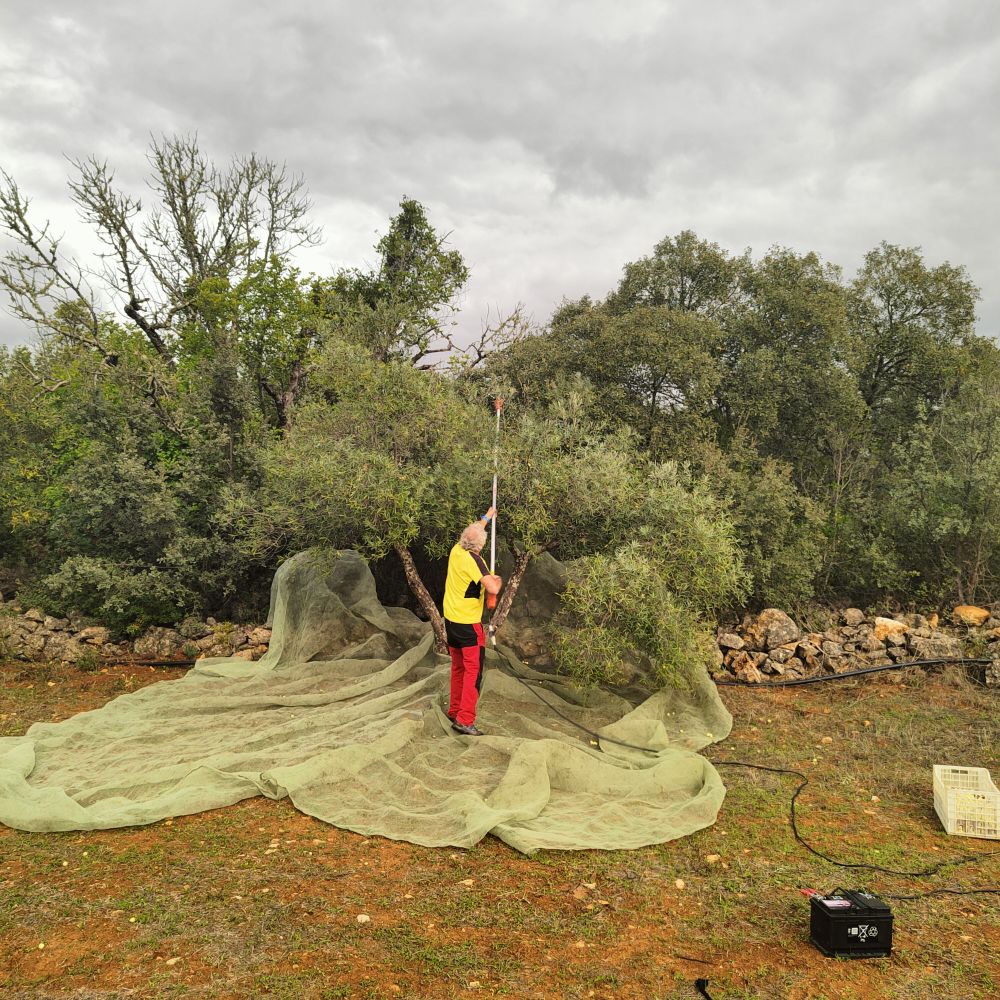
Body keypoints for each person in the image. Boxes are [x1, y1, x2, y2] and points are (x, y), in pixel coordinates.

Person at [442, 506, 503, 735]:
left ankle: (455, 710)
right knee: (473, 673)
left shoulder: (456, 549)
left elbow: (474, 531)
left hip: (451, 622)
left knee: (458, 667)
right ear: (480, 546)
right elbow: (492, 588)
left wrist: (487, 517)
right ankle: (465, 720)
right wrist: (497, 581)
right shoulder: (475, 560)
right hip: (468, 626)